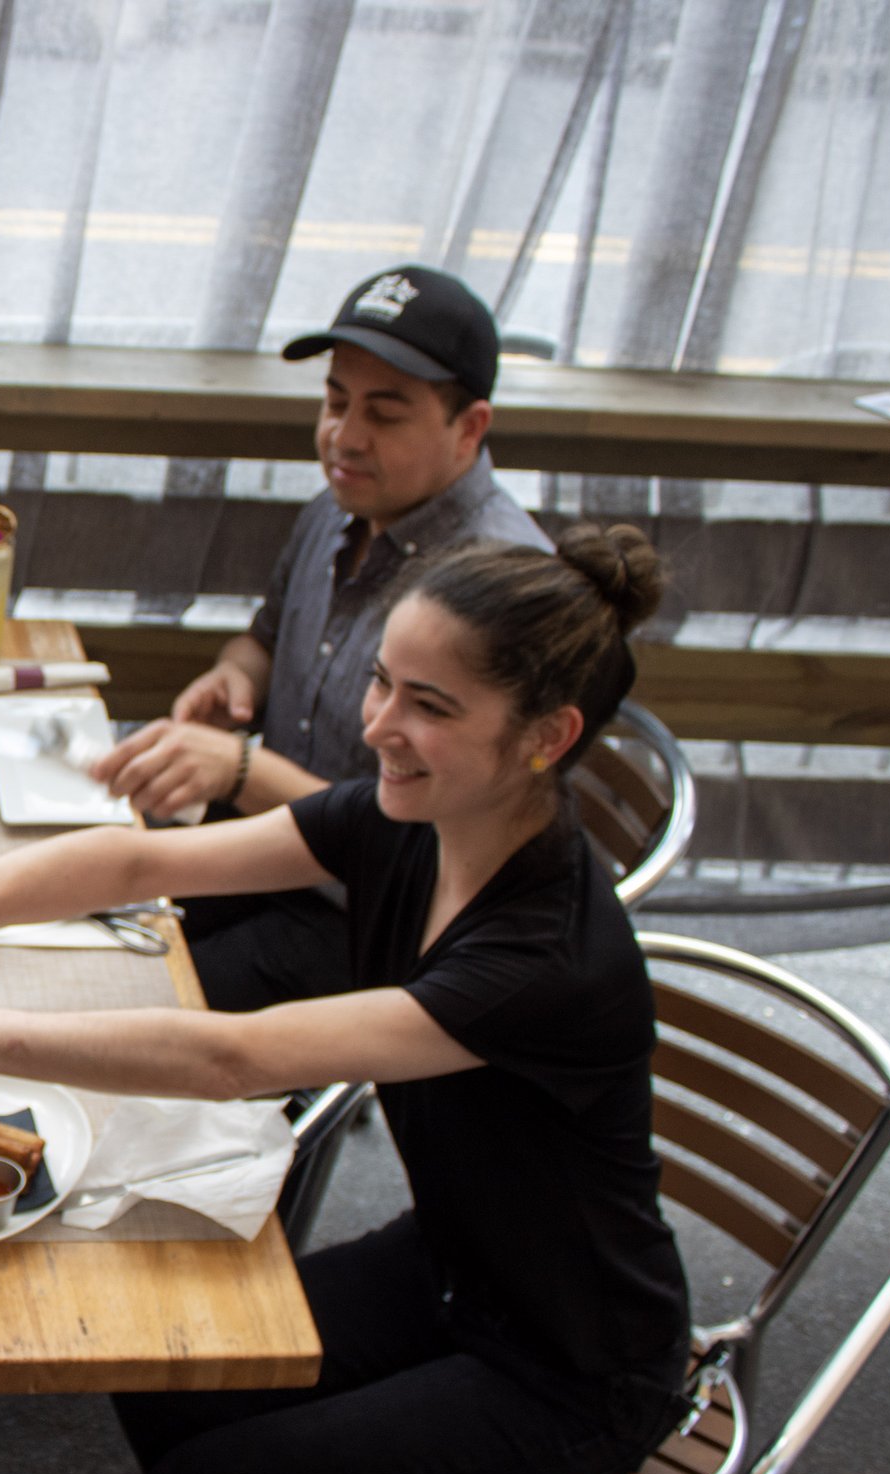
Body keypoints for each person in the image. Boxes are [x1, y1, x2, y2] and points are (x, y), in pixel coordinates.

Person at [0, 525, 690, 1474]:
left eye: (428, 704)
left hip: (569, 1357)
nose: (378, 724)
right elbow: (136, 861)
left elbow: (232, 1059)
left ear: (547, 737)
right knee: (159, 1370)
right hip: (450, 1255)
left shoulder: (544, 956)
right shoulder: (412, 821)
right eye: (382, 680)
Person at [94, 265, 549, 1012]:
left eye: (386, 413)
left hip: (365, 921)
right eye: (335, 401)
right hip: (257, 854)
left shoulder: (500, 588)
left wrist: (242, 768)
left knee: (117, 1008)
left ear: (470, 428)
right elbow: (262, 642)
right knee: (60, 921)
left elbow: (434, 853)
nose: (345, 436)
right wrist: (233, 679)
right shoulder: (340, 509)